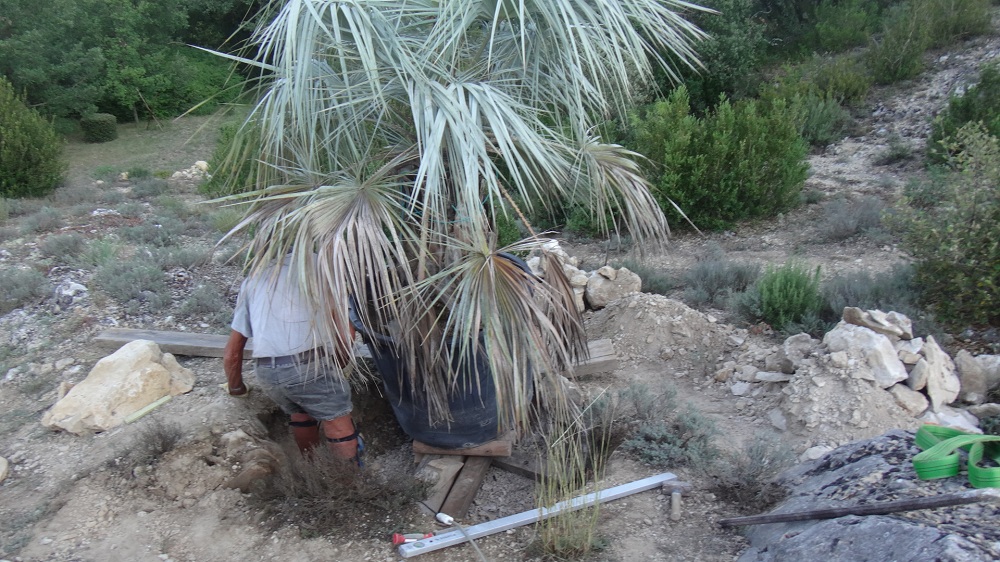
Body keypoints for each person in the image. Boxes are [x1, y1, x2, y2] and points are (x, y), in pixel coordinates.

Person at [223, 257, 361, 463]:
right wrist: (338, 365)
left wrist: (237, 389)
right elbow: (346, 335)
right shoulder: (319, 270)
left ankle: (313, 471)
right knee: (337, 421)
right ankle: (348, 485)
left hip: (267, 373)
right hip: (308, 366)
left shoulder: (254, 279)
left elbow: (233, 351)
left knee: (301, 413)